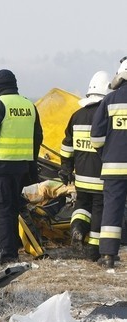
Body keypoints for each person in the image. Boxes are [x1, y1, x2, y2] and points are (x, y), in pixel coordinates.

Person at [0, 69, 44, 265]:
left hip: (0, 167)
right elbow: (38, 137)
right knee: (13, 209)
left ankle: (8, 255)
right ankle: (12, 250)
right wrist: (31, 162)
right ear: (14, 84)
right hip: (21, 167)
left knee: (1, 210)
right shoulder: (29, 105)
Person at [59, 71, 113, 262]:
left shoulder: (76, 115)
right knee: (99, 209)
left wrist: (66, 167)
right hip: (101, 176)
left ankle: (77, 229)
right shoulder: (107, 115)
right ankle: (93, 250)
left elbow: (67, 145)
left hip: (81, 176)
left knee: (82, 205)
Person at [91, 59, 127, 268]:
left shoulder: (110, 100)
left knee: (112, 209)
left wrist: (107, 154)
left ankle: (108, 256)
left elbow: (96, 137)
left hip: (114, 167)